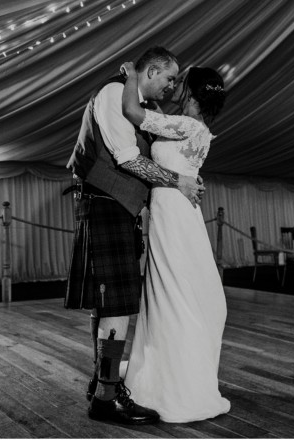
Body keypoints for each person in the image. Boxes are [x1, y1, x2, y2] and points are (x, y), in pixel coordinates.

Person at [64, 46, 205, 425]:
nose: (172, 87)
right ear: (153, 70)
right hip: (105, 203)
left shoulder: (143, 106)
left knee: (110, 303)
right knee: (116, 305)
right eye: (169, 78)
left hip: (118, 207)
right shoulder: (112, 94)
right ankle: (107, 398)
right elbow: (126, 158)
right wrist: (179, 182)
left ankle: (102, 384)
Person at [119, 61, 231, 423]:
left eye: (179, 83)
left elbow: (131, 111)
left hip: (173, 212)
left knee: (171, 287)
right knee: (174, 286)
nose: (174, 88)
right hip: (177, 209)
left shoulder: (186, 125)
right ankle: (173, 368)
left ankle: (172, 377)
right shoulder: (198, 129)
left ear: (191, 92)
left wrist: (132, 75)